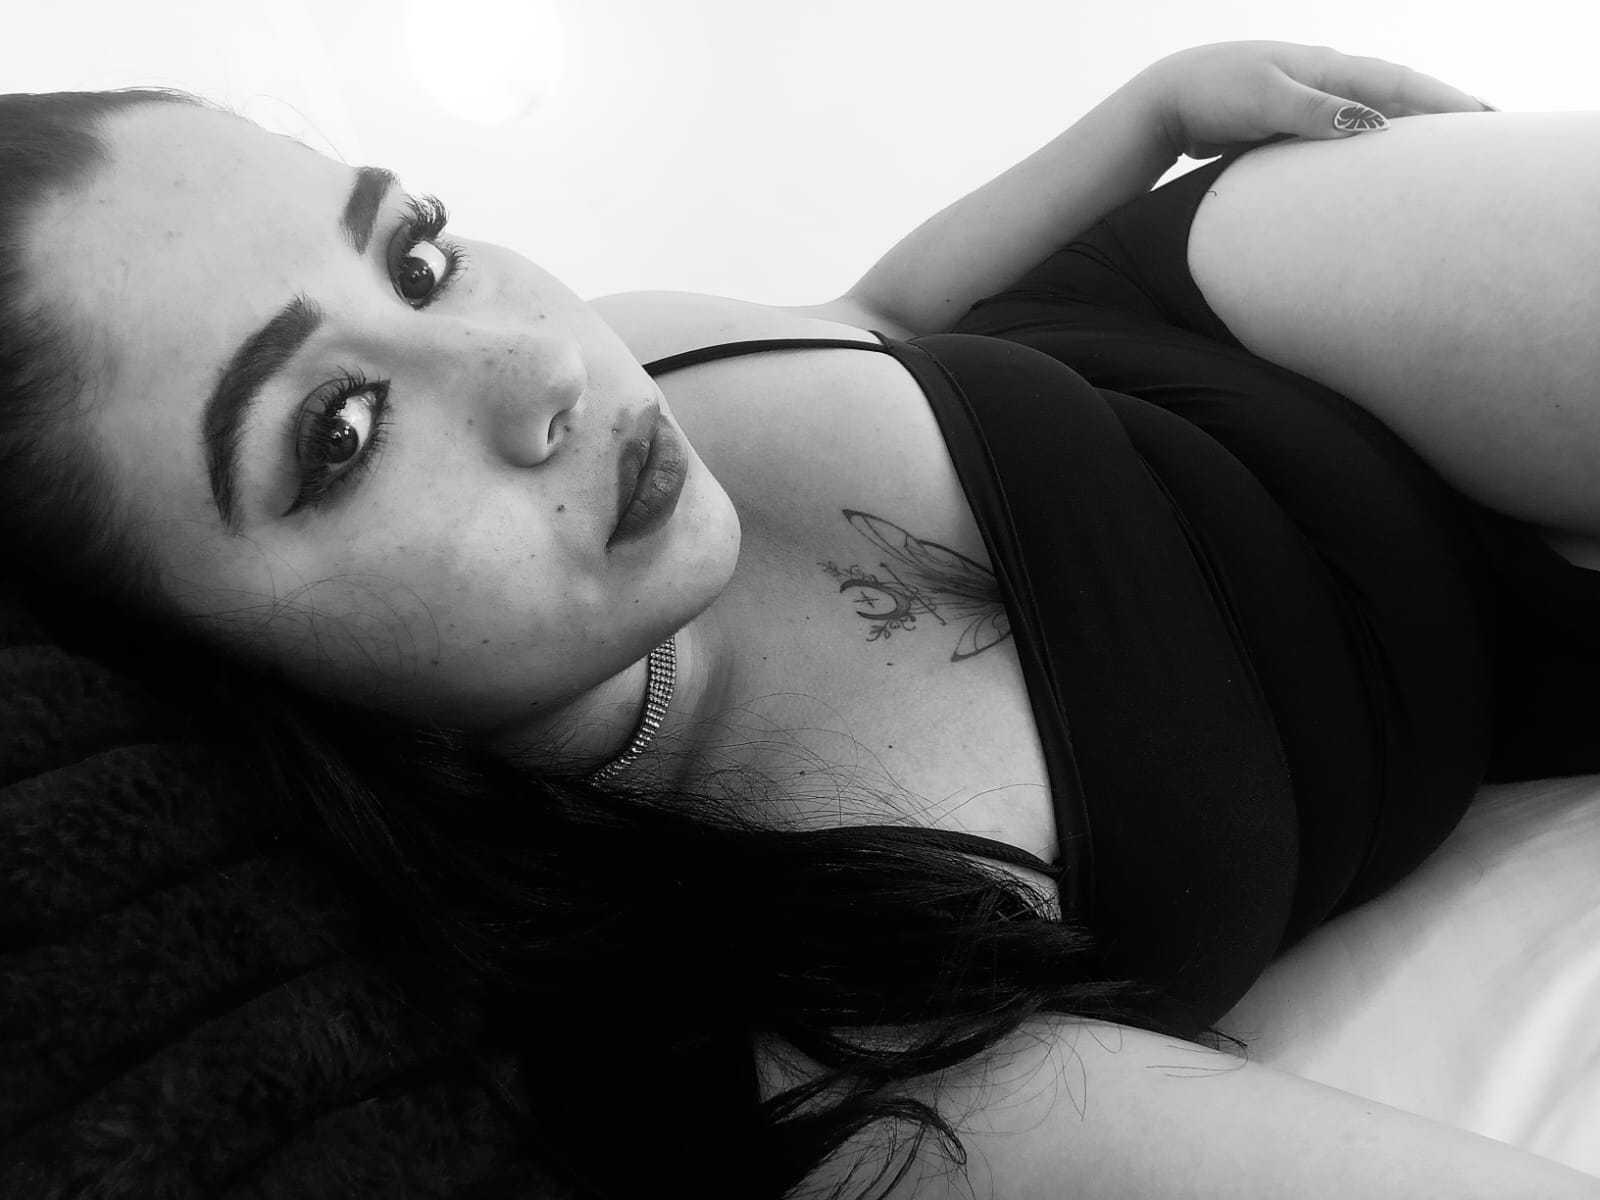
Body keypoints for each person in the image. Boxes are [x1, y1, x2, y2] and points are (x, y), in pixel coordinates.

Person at [4, 39, 1600, 1198]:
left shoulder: (640, 360)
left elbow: (875, 313)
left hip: (1229, 310)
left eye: (414, 257)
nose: (541, 367)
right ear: (202, 689)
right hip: (1475, 684)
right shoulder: (784, 1012)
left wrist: (1145, 115)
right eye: (341, 433)